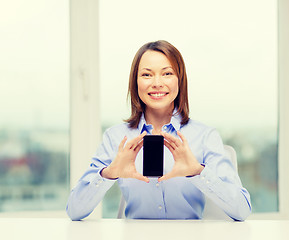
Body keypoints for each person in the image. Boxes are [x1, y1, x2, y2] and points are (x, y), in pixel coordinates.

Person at [66, 40, 251, 221]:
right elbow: (75, 210)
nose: (157, 83)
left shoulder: (204, 136)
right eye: (147, 75)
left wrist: (197, 171)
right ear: (135, 82)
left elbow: (242, 210)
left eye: (167, 73)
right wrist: (108, 174)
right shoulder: (116, 138)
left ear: (180, 79)